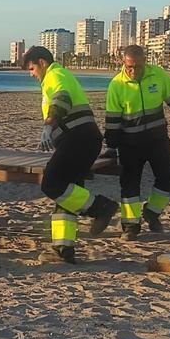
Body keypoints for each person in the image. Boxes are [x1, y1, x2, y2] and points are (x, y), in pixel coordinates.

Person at [22, 46, 118, 262]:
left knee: (51, 184)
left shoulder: (55, 74)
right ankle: (64, 247)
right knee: (69, 193)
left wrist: (48, 125)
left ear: (42, 62)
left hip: (78, 138)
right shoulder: (58, 76)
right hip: (83, 139)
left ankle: (103, 207)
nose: (32, 74)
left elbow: (62, 98)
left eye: (32, 68)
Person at [104, 44, 170, 241]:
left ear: (145, 62)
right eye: (129, 67)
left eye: (137, 67)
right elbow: (112, 120)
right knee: (130, 185)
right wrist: (111, 147)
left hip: (157, 140)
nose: (133, 71)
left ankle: (152, 212)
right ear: (123, 63)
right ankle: (130, 226)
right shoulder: (116, 85)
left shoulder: (158, 75)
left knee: (167, 178)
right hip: (129, 144)